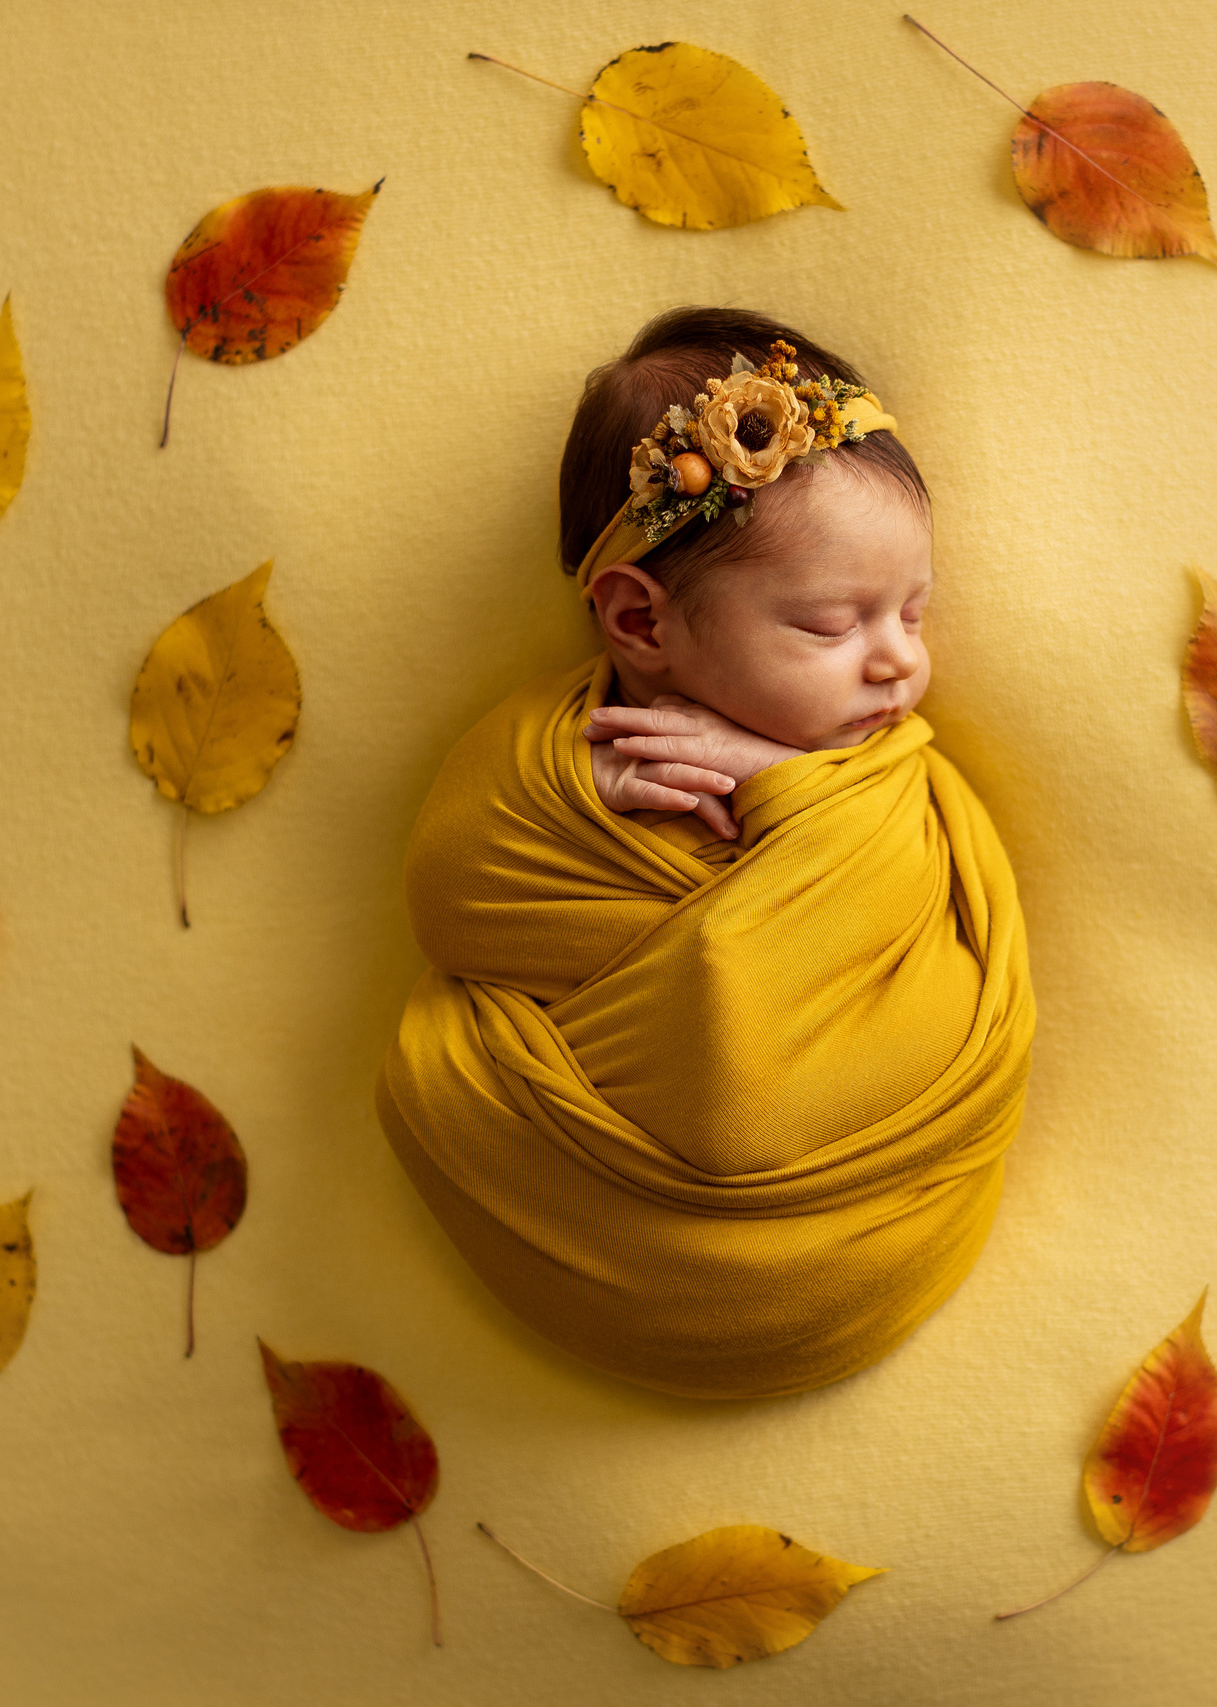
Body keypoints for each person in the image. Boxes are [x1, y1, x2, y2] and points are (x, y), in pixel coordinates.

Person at [376, 307, 1035, 1400]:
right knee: (439, 1065)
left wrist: (776, 777)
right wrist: (580, 793)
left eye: (912, 612)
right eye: (832, 626)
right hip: (609, 1218)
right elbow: (450, 895)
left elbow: (922, 919)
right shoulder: (553, 756)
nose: (896, 665)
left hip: (857, 1226)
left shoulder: (878, 782)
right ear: (639, 624)